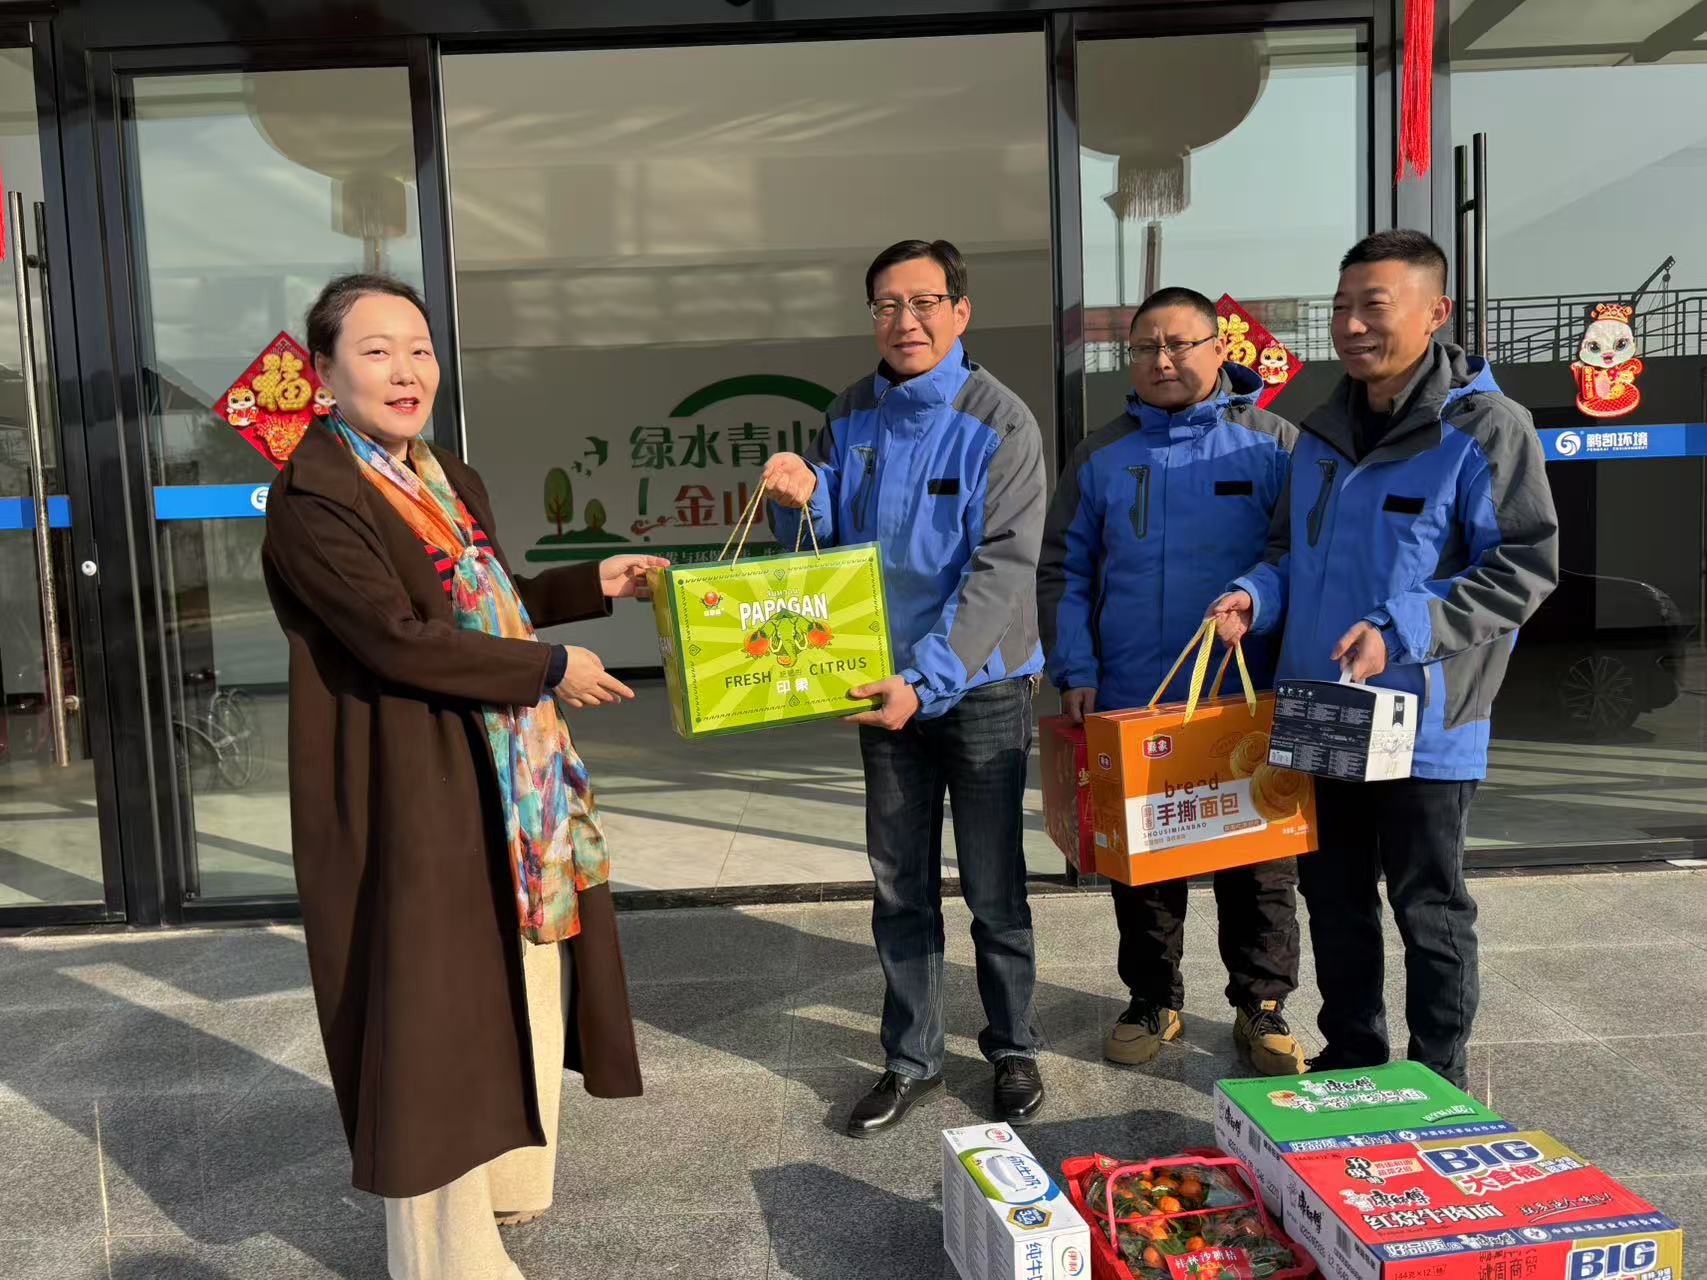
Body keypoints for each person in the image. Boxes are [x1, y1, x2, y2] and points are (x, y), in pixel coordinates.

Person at [262, 273, 665, 1280]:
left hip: (505, 781)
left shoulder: (444, 475)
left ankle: (507, 1185)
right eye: (376, 351)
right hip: (410, 787)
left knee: (519, 980)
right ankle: (445, 1260)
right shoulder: (315, 496)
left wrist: (587, 585)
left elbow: (481, 602)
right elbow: (396, 638)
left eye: (420, 349)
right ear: (324, 373)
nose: (406, 371)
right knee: (433, 1020)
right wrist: (549, 668)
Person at [1210, 230, 1559, 1088]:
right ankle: (1353, 1055)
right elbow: (1290, 553)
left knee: (1427, 906)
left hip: (1426, 718)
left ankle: (1436, 1076)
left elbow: (1520, 567)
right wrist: (1255, 595)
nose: (1352, 325)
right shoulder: (1320, 433)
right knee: (1332, 898)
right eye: (1341, 307)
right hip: (1325, 708)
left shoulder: (1485, 428)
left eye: (1374, 306)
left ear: (1435, 313)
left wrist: (1397, 628)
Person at [762, 239, 1048, 1136]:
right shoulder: (849, 412)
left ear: (961, 311)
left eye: (924, 302)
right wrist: (795, 499)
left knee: (994, 885)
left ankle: (1012, 1047)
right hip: (877, 685)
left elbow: (1001, 571)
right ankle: (911, 1058)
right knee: (899, 886)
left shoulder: (1001, 421)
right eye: (887, 304)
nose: (905, 321)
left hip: (979, 686)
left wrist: (926, 678)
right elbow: (818, 554)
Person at [1039, 286, 1305, 1076]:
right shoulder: (1100, 455)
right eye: (1144, 347)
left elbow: (1300, 553)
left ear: (1219, 349)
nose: (1161, 360)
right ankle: (1153, 997)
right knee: (1146, 862)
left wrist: (1254, 596)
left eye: (1179, 344)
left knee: (1257, 860)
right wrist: (1075, 668)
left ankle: (1261, 1006)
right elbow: (1063, 571)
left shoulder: (1271, 445)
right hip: (1133, 693)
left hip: (1243, 691)